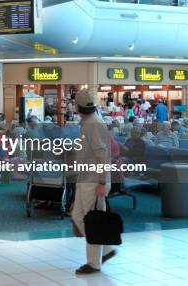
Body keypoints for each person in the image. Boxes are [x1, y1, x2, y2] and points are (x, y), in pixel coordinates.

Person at [70, 89, 116, 275]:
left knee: (90, 220)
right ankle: (105, 250)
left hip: (94, 180)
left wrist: (102, 182)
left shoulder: (93, 124)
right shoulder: (89, 122)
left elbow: (102, 155)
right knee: (78, 216)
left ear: (77, 107)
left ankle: (94, 263)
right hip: (87, 178)